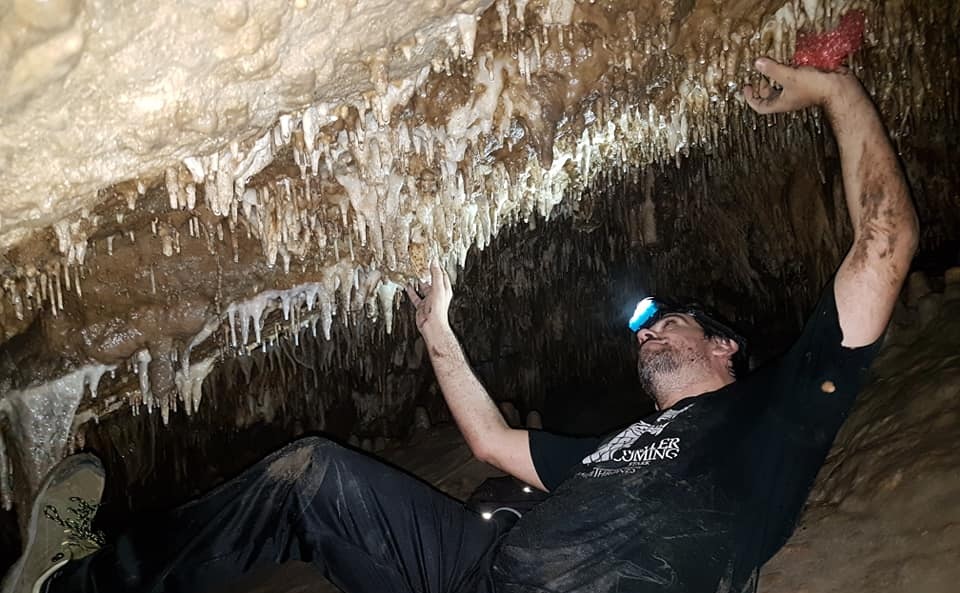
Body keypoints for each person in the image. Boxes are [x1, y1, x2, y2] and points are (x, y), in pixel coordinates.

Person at [2, 56, 917, 593]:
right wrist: (437, 322)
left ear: (725, 347)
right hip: (486, 565)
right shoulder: (616, 446)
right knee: (307, 473)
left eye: (668, 324)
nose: (648, 335)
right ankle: (72, 585)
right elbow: (486, 439)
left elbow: (881, 243)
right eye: (643, 332)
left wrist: (834, 92)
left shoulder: (779, 412)